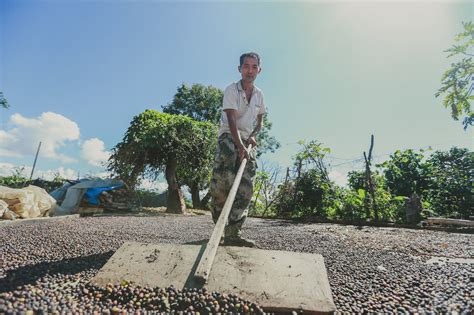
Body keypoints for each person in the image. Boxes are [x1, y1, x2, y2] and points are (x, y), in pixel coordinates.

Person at [209, 52, 266, 247]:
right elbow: (231, 119)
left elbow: (260, 121)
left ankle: (234, 233)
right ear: (239, 69)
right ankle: (219, 231)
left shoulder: (259, 94)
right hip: (228, 137)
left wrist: (253, 136)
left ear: (259, 69)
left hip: (247, 142)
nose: (249, 70)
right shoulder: (231, 90)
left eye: (253, 67)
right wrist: (239, 145)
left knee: (245, 187)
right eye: (246, 66)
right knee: (223, 184)